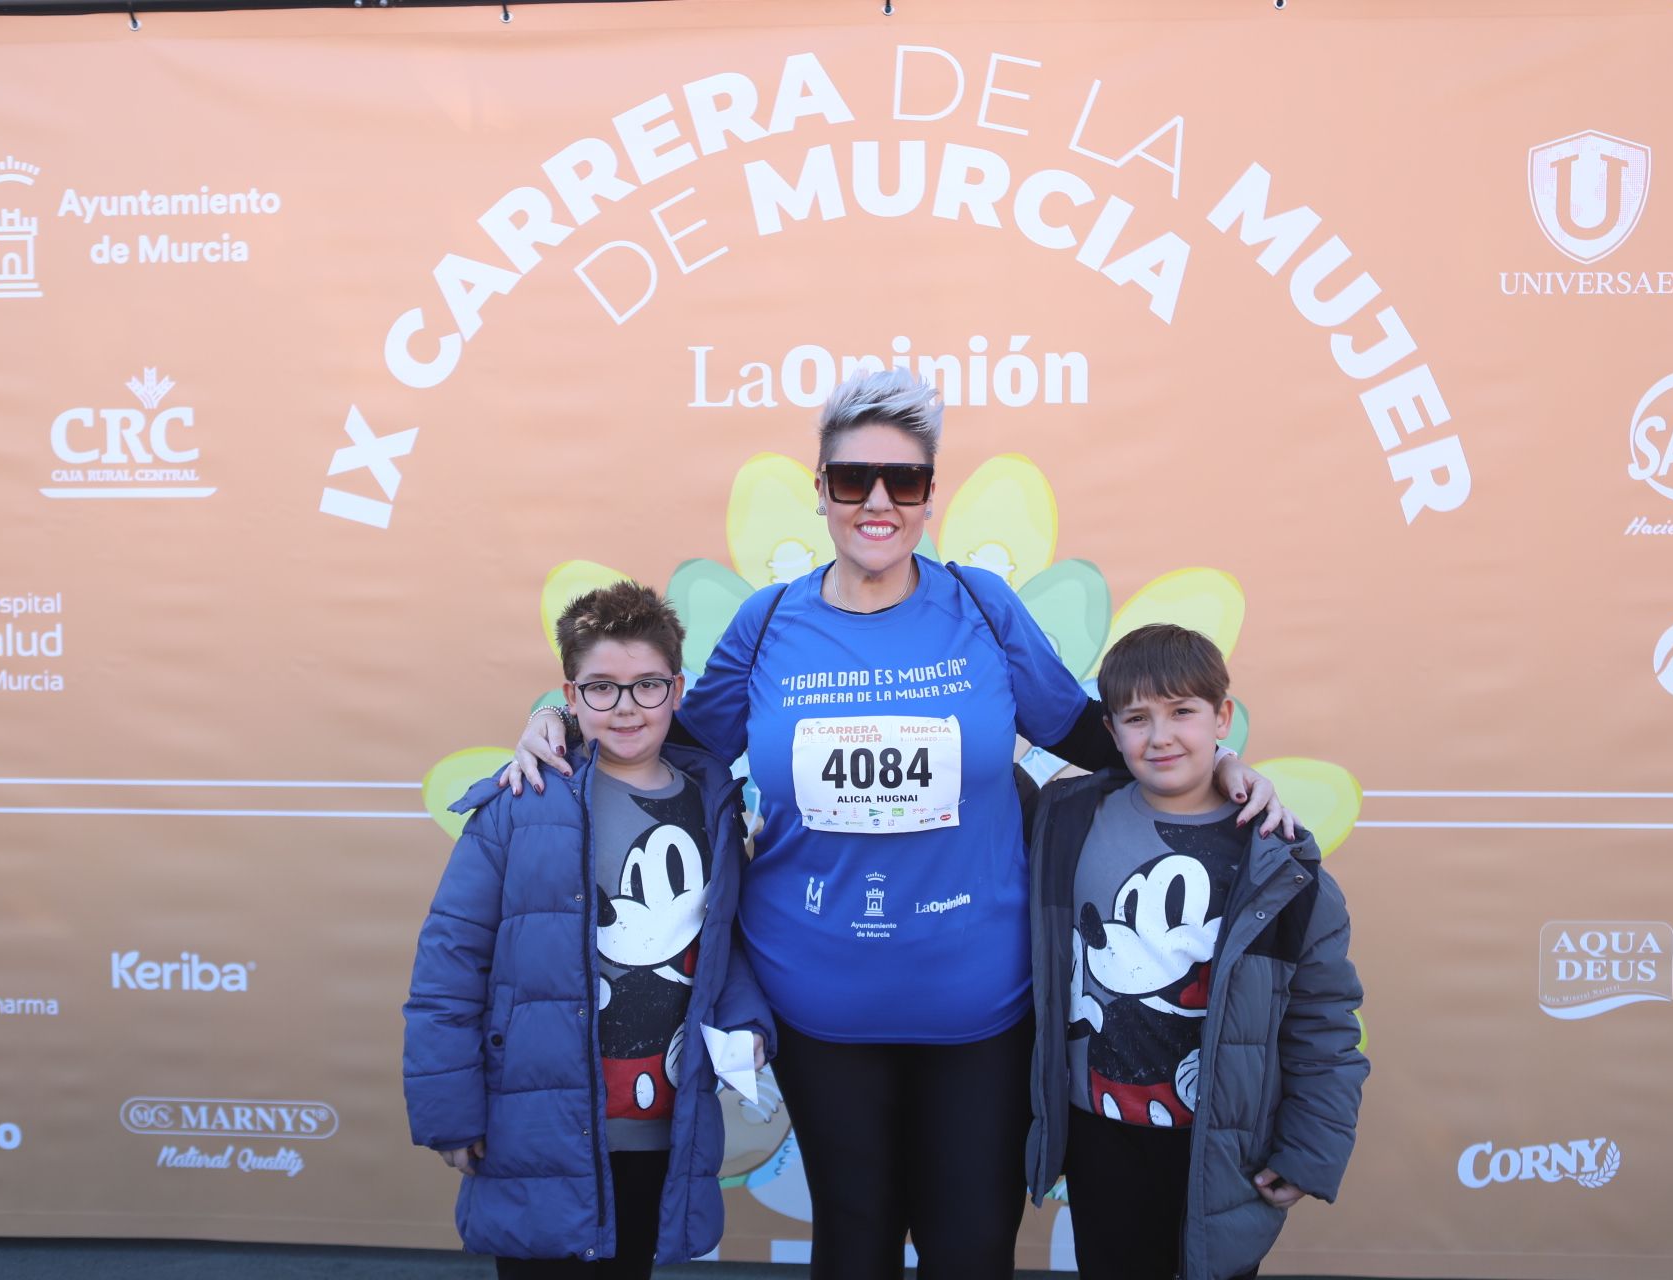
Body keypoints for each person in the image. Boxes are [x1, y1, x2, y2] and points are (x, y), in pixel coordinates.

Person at [506, 370, 1292, 1280]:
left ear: (929, 497)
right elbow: (660, 733)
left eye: (904, 480)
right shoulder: (769, 625)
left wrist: (1219, 764)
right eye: (853, 479)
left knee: (968, 1249)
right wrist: (557, 723)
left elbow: (1090, 731)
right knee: (855, 1246)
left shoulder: (984, 611)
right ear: (822, 493)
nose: (878, 500)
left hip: (980, 1009)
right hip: (822, 1006)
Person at [404, 582, 773, 1278]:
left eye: (647, 686)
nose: (626, 707)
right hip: (537, 1125)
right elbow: (450, 960)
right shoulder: (518, 801)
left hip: (662, 1126)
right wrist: (448, 1110)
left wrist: (750, 1023)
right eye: (601, 688)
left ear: (677, 690)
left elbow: (730, 947)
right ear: (568, 698)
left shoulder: (712, 804)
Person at [1025, 623, 1367, 1280]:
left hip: (1224, 1141)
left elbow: (1324, 1015)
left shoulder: (1277, 857)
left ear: (1223, 717)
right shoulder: (1065, 820)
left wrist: (1309, 1149)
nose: (1160, 737)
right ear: (1111, 728)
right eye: (1137, 718)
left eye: (1183, 711)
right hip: (1100, 1134)